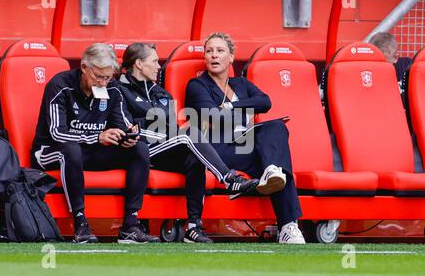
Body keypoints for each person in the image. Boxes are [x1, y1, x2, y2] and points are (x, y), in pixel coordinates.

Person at [117, 42, 259, 243]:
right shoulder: (118, 90)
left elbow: (168, 125)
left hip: (163, 147)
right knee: (190, 133)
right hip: (138, 150)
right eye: (155, 62)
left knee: (195, 157)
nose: (159, 67)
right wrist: (153, 129)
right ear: (139, 64)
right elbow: (127, 127)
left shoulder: (161, 93)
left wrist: (160, 129)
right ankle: (228, 178)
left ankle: (194, 226)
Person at [31, 43, 160, 244]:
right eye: (98, 77)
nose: (102, 83)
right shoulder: (60, 85)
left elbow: (123, 124)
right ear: (84, 67)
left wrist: (128, 137)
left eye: (108, 78)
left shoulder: (112, 89)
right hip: (52, 151)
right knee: (71, 150)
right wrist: (97, 137)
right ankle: (80, 223)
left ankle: (131, 225)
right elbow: (57, 133)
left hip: (92, 152)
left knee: (139, 149)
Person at [185, 32, 305, 244]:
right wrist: (246, 109)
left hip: (243, 146)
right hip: (217, 151)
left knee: (276, 130)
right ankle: (288, 221)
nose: (214, 55)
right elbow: (213, 116)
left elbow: (265, 103)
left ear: (231, 57)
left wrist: (231, 105)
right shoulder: (197, 85)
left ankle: (288, 226)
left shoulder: (241, 83)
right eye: (209, 51)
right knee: (276, 159)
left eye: (220, 51)